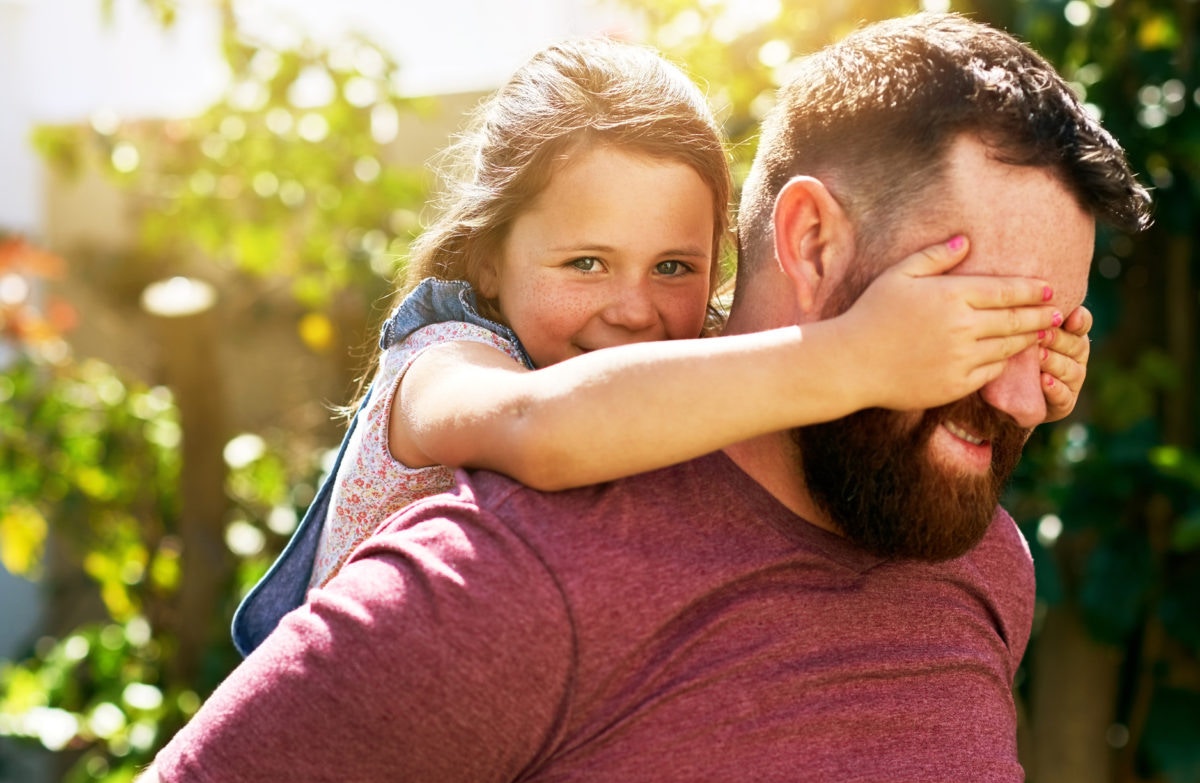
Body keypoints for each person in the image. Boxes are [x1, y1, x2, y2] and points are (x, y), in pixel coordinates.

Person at [45, 13, 1151, 783]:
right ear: (811, 248)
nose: (1025, 398)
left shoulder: (968, 550)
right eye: (976, 319)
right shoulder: (516, 562)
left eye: (1046, 335)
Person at [230, 36, 1087, 655]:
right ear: (489, 257)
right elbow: (544, 428)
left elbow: (798, 413)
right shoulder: (443, 362)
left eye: (675, 265)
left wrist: (1009, 371)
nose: (634, 310)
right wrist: (862, 352)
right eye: (587, 261)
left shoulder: (684, 361)